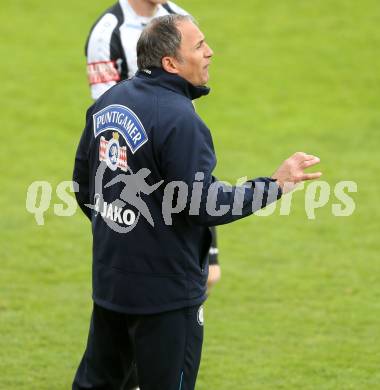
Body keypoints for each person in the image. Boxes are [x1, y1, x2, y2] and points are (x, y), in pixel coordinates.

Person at [72, 14, 322, 390]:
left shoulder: (111, 99)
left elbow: (83, 185)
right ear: (170, 63)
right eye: (200, 46)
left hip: (111, 284)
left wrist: (121, 232)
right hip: (166, 296)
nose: (210, 52)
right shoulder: (179, 119)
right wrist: (274, 185)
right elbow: (203, 205)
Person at [85, 0, 221, 292]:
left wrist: (210, 251)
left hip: (176, 156)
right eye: (199, 47)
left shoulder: (176, 17)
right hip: (131, 168)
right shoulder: (107, 34)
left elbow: (195, 178)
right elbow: (110, 121)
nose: (208, 52)